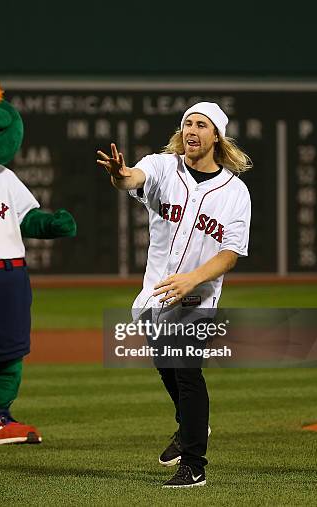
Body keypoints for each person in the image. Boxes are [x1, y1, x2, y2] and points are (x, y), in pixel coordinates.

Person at [97, 102, 252, 488]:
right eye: (187, 124)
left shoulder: (235, 192)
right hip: (155, 294)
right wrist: (119, 175)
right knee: (167, 368)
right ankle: (190, 425)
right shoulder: (165, 166)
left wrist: (192, 280)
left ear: (216, 135)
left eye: (201, 124)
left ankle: (194, 464)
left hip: (197, 299)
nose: (192, 130)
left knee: (187, 374)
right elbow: (133, 178)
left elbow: (230, 253)